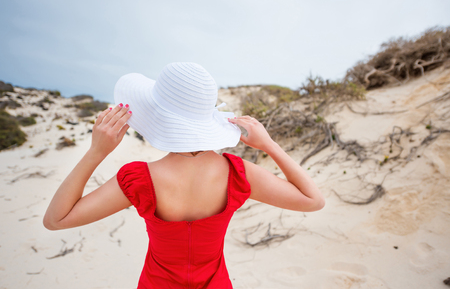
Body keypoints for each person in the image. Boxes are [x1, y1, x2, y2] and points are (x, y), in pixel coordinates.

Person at [43, 62, 325, 288]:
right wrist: (268, 144)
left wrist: (96, 151)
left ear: (156, 115)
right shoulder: (238, 174)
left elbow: (56, 220)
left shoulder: (139, 179)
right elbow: (313, 200)